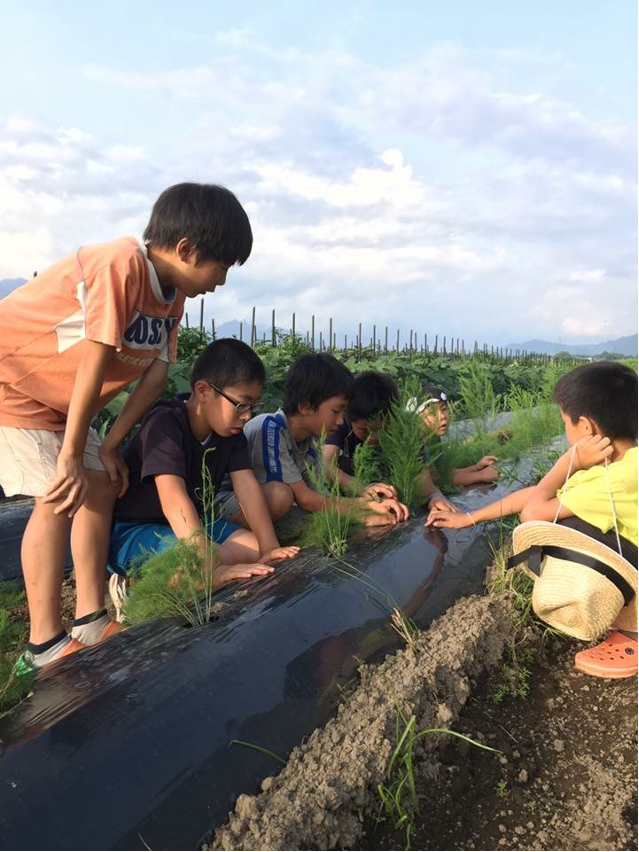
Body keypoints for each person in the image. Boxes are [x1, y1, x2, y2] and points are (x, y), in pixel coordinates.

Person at [0, 182, 252, 669]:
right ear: (186, 249)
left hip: (61, 402)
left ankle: (90, 618)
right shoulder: (120, 265)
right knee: (60, 492)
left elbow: (155, 376)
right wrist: (70, 455)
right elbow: (94, 359)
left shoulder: (173, 297)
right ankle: (44, 644)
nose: (222, 280)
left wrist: (110, 445)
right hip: (13, 385)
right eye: (221, 266)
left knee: (99, 485)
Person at [427, 362, 638, 676]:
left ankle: (633, 629)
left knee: (566, 529)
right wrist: (468, 518)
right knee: (564, 519)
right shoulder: (620, 464)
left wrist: (568, 462)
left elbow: (533, 514)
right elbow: (537, 496)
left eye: (565, 423)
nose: (564, 433)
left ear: (586, 428)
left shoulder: (618, 478)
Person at [108, 339, 299, 620]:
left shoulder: (230, 433)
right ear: (203, 390)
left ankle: (198, 567)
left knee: (255, 549)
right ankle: (135, 588)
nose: (247, 416)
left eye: (252, 407)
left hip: (192, 523)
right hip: (135, 529)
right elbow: (173, 500)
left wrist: (270, 548)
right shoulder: (165, 423)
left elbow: (247, 487)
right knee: (203, 566)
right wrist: (212, 568)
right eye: (241, 405)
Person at [216, 353, 410, 528]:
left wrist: (369, 499)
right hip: (226, 502)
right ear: (306, 406)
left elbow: (321, 496)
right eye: (336, 411)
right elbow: (307, 499)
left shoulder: (310, 440)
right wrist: (362, 511)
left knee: (307, 512)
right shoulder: (270, 429)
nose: (341, 421)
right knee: (280, 497)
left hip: (266, 502)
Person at [415, 385, 500, 486]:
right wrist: (480, 475)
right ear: (418, 416)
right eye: (433, 412)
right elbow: (433, 480)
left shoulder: (434, 437)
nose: (442, 416)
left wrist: (476, 467)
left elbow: (443, 473)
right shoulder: (414, 441)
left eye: (444, 409)